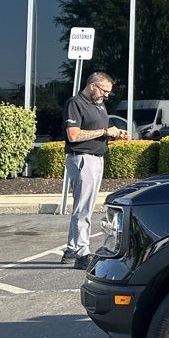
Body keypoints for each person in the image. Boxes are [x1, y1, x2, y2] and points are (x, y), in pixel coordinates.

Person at [61, 71, 126, 269]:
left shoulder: (99, 105)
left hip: (97, 158)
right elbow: (73, 135)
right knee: (84, 208)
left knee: (85, 206)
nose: (106, 95)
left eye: (108, 92)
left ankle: (72, 249)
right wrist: (105, 131)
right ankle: (82, 252)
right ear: (92, 85)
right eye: (104, 90)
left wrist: (113, 135)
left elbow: (96, 132)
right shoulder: (75, 103)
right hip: (82, 159)